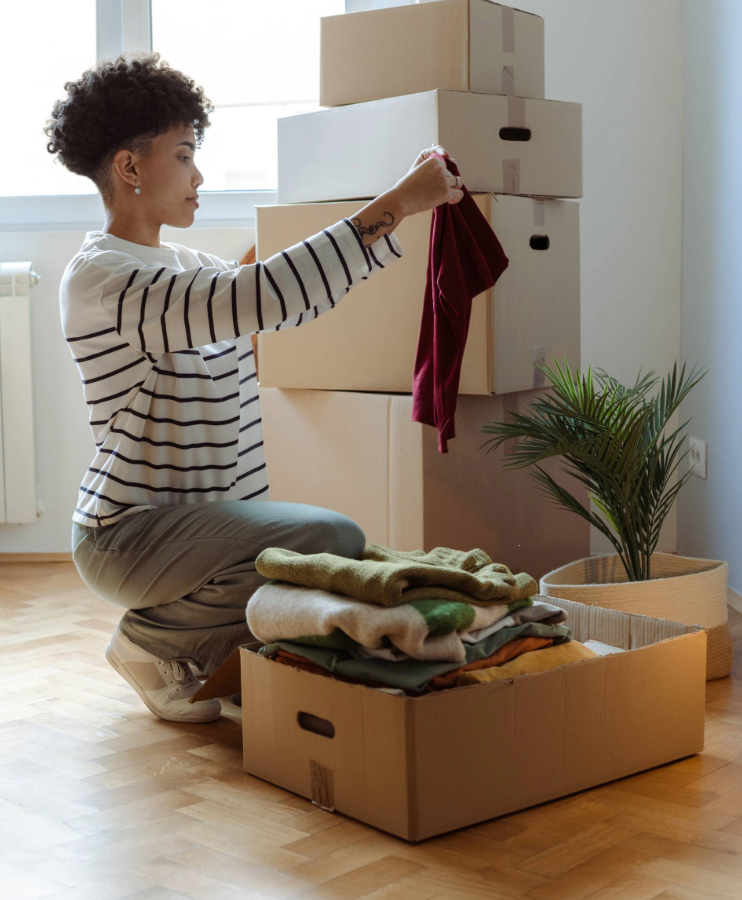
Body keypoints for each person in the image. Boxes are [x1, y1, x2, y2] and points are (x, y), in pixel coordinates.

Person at [45, 54, 463, 723]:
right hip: (126, 537)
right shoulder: (103, 279)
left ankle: (196, 649)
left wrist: (388, 207)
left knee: (309, 566)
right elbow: (259, 295)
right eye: (183, 155)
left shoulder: (184, 267)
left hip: (193, 534)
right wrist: (401, 203)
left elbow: (268, 297)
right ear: (129, 168)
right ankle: (151, 645)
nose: (198, 174)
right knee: (329, 533)